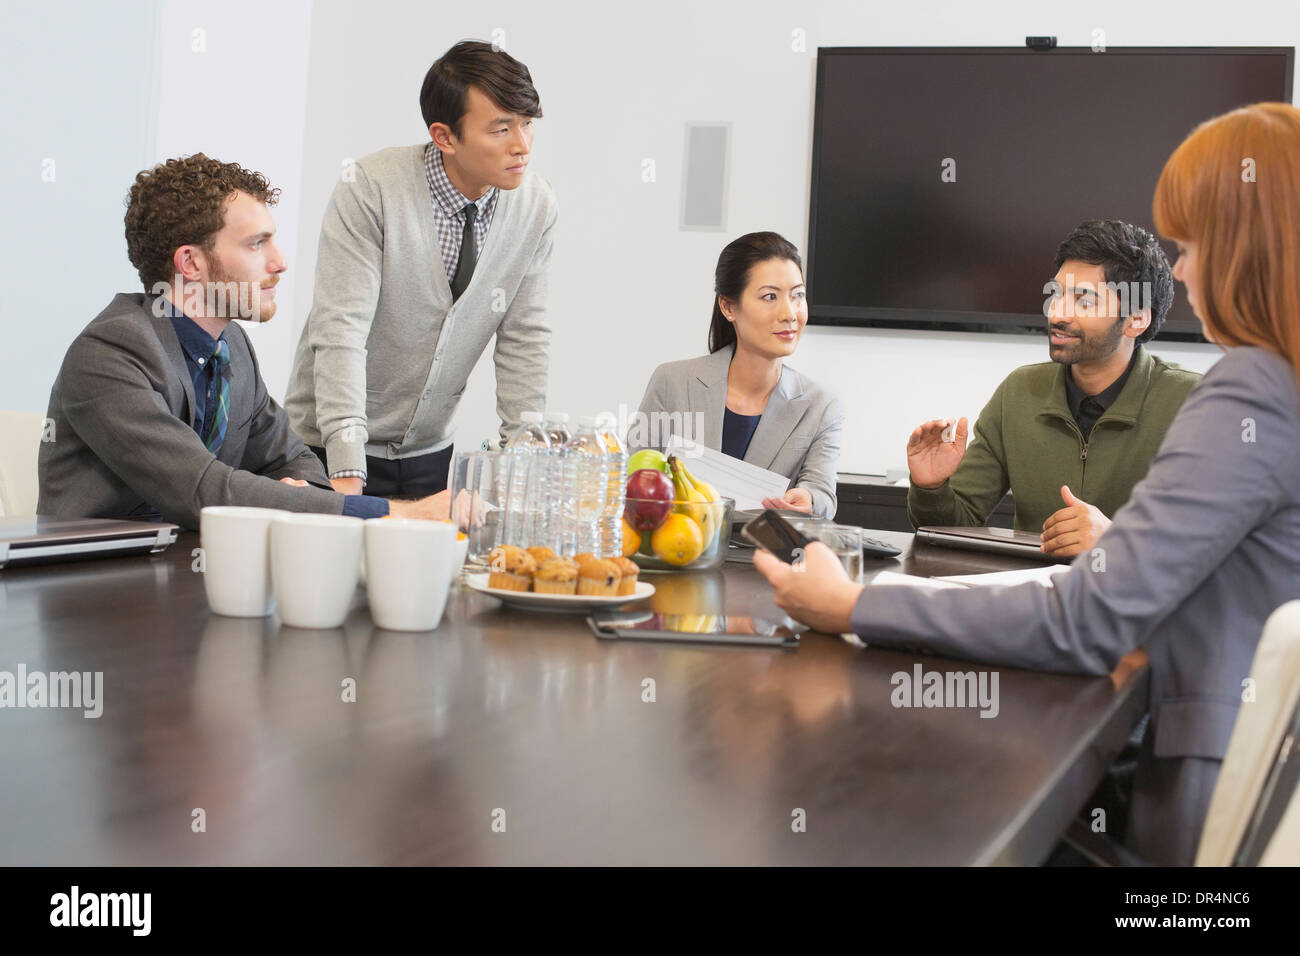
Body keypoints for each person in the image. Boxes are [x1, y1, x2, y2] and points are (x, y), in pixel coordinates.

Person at [754, 102, 1300, 866]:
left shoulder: (1249, 389)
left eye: (1194, 242)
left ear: (1249, 247)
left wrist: (854, 603)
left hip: (1205, 793)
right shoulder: (1277, 385)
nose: (1181, 267)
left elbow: (1086, 616)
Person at [38, 154, 446, 530]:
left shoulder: (230, 343)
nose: (279, 262)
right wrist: (393, 512)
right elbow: (203, 490)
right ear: (191, 263)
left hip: (189, 577)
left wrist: (301, 497)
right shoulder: (111, 352)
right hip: (94, 589)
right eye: (257, 243)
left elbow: (293, 459)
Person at [285, 40, 557, 499]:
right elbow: (341, 330)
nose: (522, 146)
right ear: (445, 136)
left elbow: (525, 337)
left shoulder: (536, 206)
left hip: (428, 452)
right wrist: (346, 470)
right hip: (328, 445)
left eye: (528, 124)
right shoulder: (372, 188)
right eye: (501, 129)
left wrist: (523, 462)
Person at [906, 220, 1200, 558]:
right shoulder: (1019, 392)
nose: (1057, 313)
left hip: (1140, 606)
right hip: (1033, 601)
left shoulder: (1191, 404)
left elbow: (1214, 542)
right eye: (1057, 294)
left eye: (1084, 301)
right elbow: (951, 529)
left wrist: (1116, 540)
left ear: (1136, 319)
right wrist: (931, 487)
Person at [631, 232, 844, 519]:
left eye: (798, 295)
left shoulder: (821, 406)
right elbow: (631, 479)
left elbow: (822, 494)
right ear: (729, 307)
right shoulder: (672, 382)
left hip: (764, 559)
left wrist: (808, 498)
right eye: (770, 296)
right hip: (679, 552)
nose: (789, 313)